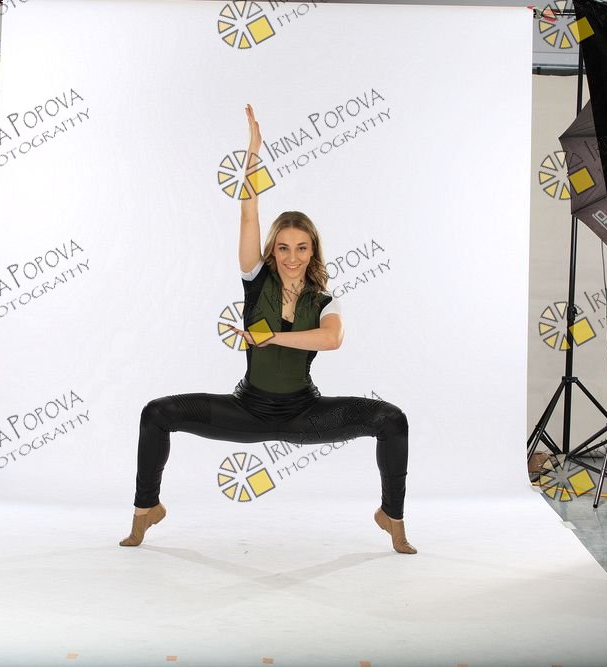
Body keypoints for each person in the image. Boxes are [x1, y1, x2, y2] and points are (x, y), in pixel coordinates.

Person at [120, 104, 415, 554]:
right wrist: (253, 153)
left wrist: (271, 337)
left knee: (391, 420)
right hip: (248, 409)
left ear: (313, 251)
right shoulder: (255, 281)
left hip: (304, 413)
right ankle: (147, 508)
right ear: (272, 250)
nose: (292, 257)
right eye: (282, 247)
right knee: (156, 413)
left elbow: (331, 339)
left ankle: (391, 515)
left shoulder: (326, 300)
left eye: (301, 247)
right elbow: (248, 214)